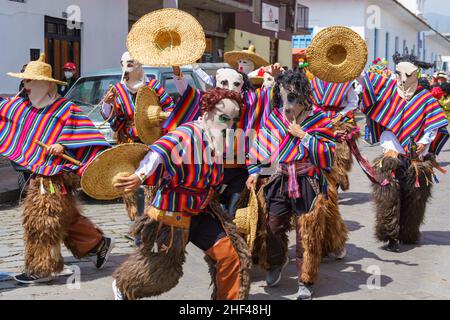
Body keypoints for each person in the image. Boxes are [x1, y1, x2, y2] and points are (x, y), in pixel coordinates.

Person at [110, 88, 251, 300]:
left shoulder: (222, 138)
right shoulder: (186, 133)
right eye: (224, 118)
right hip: (172, 211)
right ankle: (124, 287)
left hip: (203, 209)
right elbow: (158, 152)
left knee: (231, 255)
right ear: (206, 113)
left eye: (233, 120)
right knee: (164, 271)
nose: (229, 124)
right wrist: (139, 176)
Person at [0, 53, 114, 284]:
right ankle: (96, 243)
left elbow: (87, 136)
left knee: (41, 221)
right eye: (24, 80)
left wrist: (64, 144)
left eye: (30, 81)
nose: (25, 85)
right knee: (63, 217)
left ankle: (41, 269)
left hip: (55, 177)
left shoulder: (66, 109)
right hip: (33, 173)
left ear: (46, 83)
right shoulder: (18, 106)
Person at [246, 69, 348, 300]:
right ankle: (275, 263)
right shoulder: (275, 118)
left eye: (291, 98)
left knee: (308, 235)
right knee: (272, 226)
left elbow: (328, 155)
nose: (286, 104)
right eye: (282, 98)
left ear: (303, 97)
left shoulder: (319, 118)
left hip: (308, 182)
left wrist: (304, 136)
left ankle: (306, 279)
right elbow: (258, 150)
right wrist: (254, 171)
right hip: (279, 179)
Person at [357, 52, 449, 252]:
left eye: (408, 74)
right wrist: (353, 68)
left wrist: (425, 142)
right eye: (400, 74)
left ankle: (409, 232)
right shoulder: (388, 91)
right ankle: (389, 235)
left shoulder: (424, 98)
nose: (403, 79)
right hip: (391, 152)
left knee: (416, 197)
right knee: (388, 195)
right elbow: (365, 80)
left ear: (416, 74)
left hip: (417, 156)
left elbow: (435, 123)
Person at [100, 51, 175, 222]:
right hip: (128, 141)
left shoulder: (154, 87)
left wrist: (159, 117)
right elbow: (114, 118)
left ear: (139, 65)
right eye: (123, 63)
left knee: (152, 181)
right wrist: (107, 104)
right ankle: (139, 220)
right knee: (131, 184)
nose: (126, 68)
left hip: (153, 141)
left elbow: (171, 109)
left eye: (131, 63)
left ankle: (153, 218)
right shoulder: (117, 89)